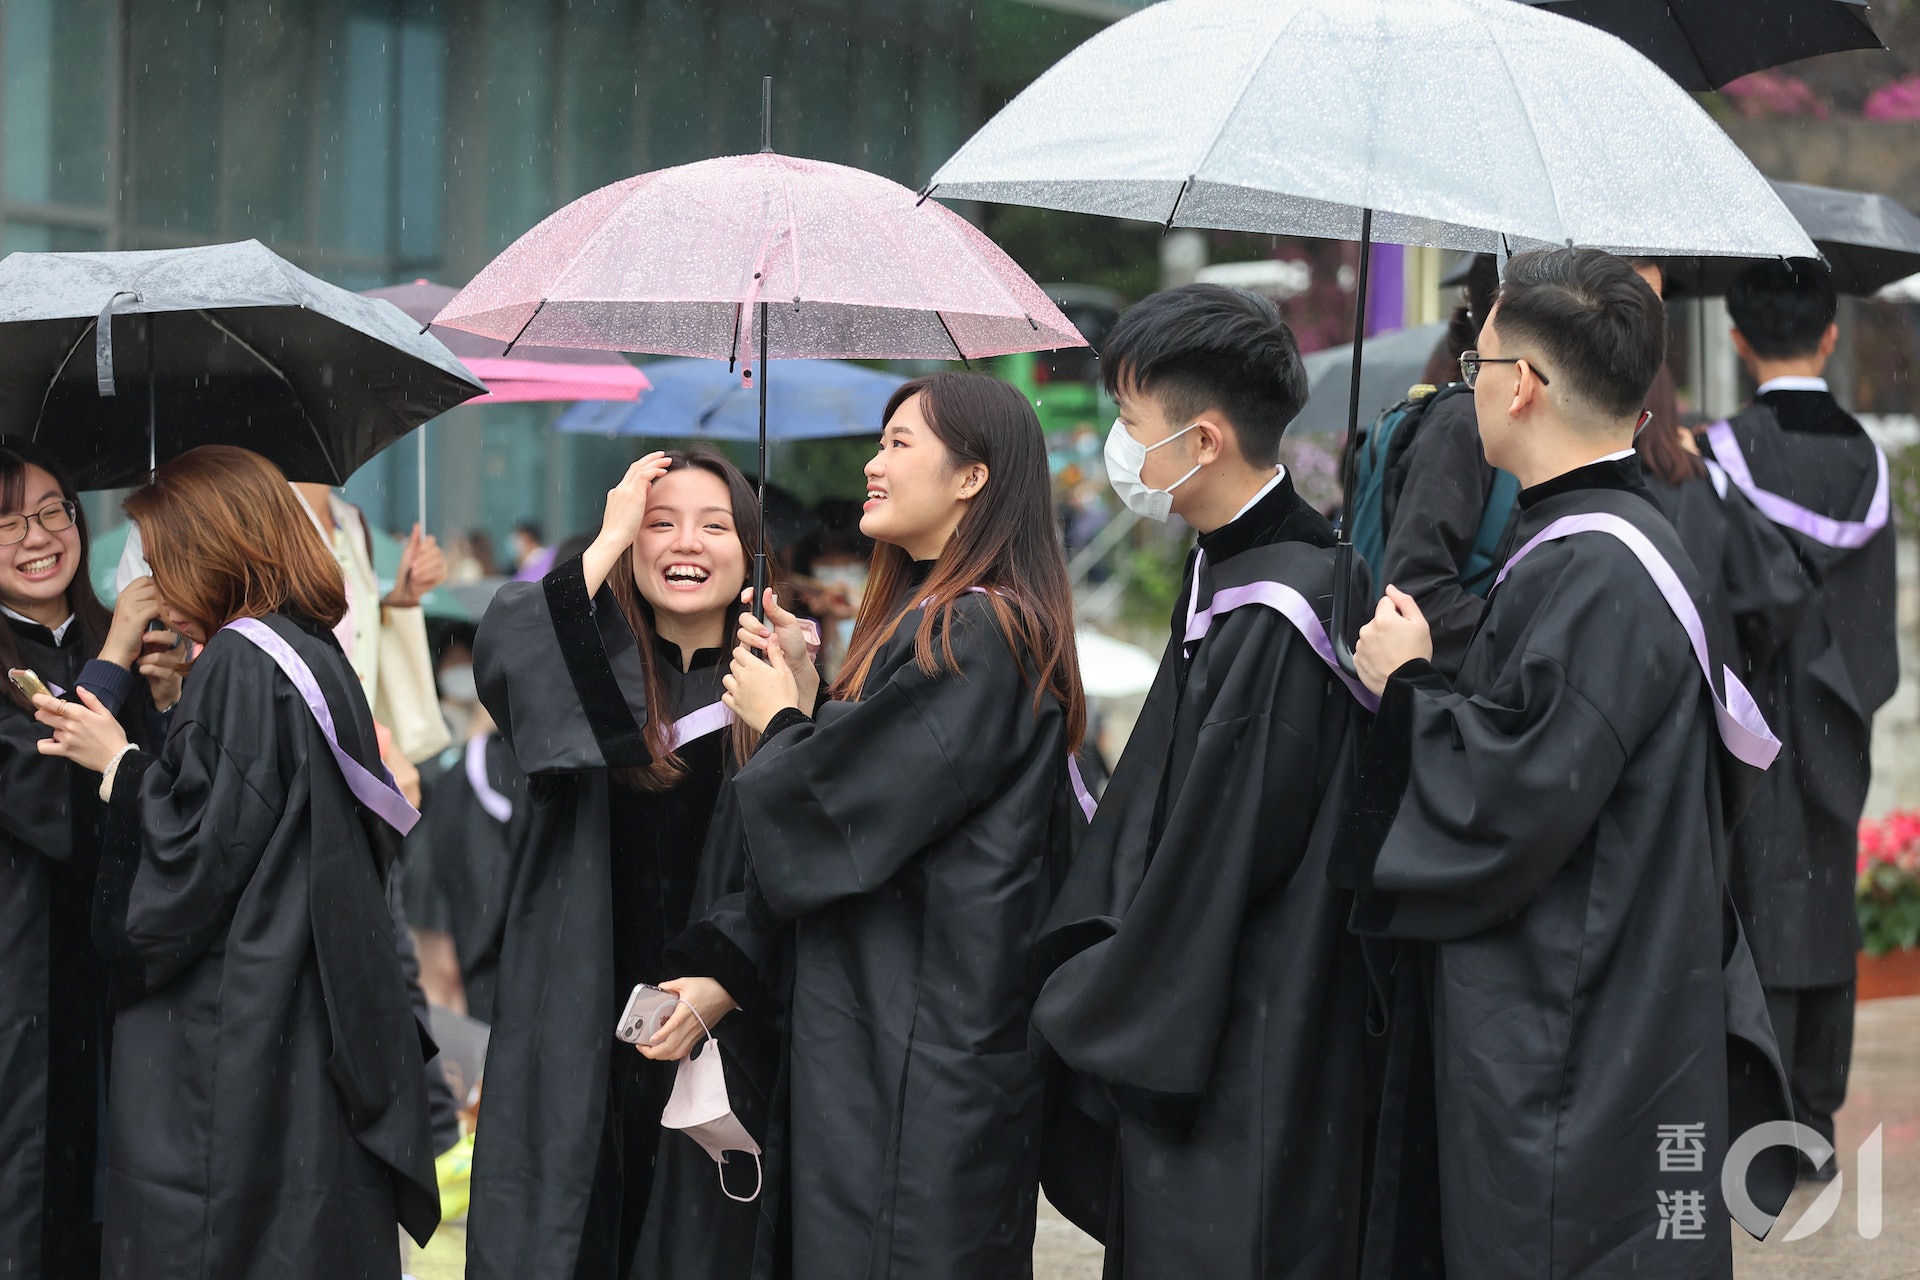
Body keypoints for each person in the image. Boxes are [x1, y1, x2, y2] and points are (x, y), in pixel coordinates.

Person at [1333, 249, 1794, 1278]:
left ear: (1525, 385)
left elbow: (1508, 801)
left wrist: (1406, 685)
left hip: (1574, 1031)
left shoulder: (1595, 570)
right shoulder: (1606, 541)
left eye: (1476, 364)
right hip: (1613, 996)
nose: (1468, 383)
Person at [698, 371, 1087, 1280]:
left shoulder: (979, 631)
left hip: (918, 1046)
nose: (874, 465)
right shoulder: (945, 621)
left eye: (899, 444)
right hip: (893, 1031)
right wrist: (804, 694)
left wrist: (786, 721)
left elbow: (840, 819)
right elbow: (882, 787)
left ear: (972, 477)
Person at [1024, 284, 1373, 1277]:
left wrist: (1089, 993)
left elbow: (1218, 851)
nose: (1119, 448)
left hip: (1251, 1024)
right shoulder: (1231, 570)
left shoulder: (1285, 603)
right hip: (1227, 1005)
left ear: (1206, 438)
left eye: (1130, 424)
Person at [33, 445, 439, 1280]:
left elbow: (196, 856)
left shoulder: (242, 662)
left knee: (215, 1235)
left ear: (210, 548)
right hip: (303, 1005)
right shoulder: (306, 647)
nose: (148, 576)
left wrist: (119, 761)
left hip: (235, 1023)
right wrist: (180, 707)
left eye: (158, 554)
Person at [466, 449, 794, 1280]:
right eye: (660, 523)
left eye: (716, 526)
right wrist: (606, 537)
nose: (686, 543)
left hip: (728, 1039)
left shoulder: (781, 690)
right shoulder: (589, 671)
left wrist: (727, 979)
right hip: (581, 1029)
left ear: (752, 553)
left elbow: (809, 873)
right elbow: (507, 649)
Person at [1709, 258, 1898, 1179]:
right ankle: (1815, 1116)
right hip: (1839, 718)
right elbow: (1871, 616)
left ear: (1738, 340)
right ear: (1829, 334)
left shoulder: (1723, 456)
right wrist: (1842, 695)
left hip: (1753, 724)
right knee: (1824, 903)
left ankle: (1762, 1123)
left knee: (1754, 899)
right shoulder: (1869, 460)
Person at [0, 445, 187, 1278]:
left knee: (118, 1209)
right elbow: (46, 802)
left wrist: (172, 698)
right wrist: (112, 658)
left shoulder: (117, 647)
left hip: (118, 981)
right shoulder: (101, 648)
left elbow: (162, 807)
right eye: (5, 520)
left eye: (52, 511)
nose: (37, 535)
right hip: (19, 981)